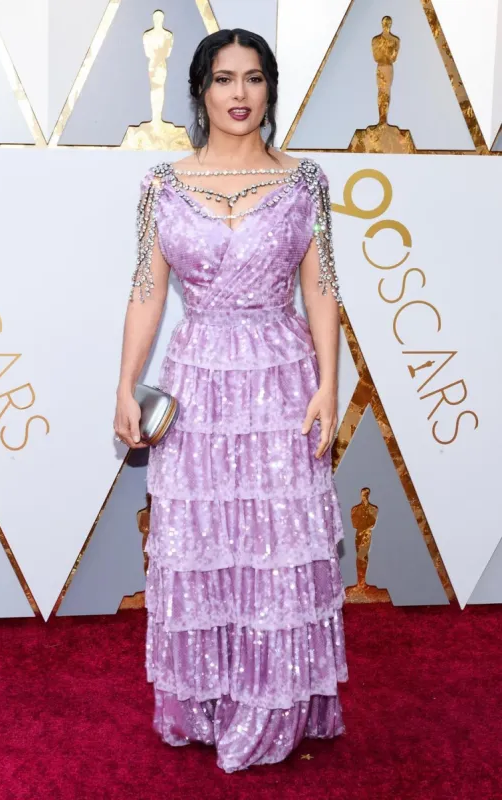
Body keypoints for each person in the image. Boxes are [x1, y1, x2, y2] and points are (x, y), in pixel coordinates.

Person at [113, 28, 348, 774]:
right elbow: (148, 290)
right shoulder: (162, 184)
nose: (239, 93)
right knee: (204, 544)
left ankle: (274, 701)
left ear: (270, 90)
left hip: (280, 377)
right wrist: (125, 382)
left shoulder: (306, 181)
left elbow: (322, 289)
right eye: (223, 79)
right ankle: (208, 699)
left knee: (276, 544)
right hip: (197, 379)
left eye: (253, 78)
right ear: (201, 90)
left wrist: (328, 384)